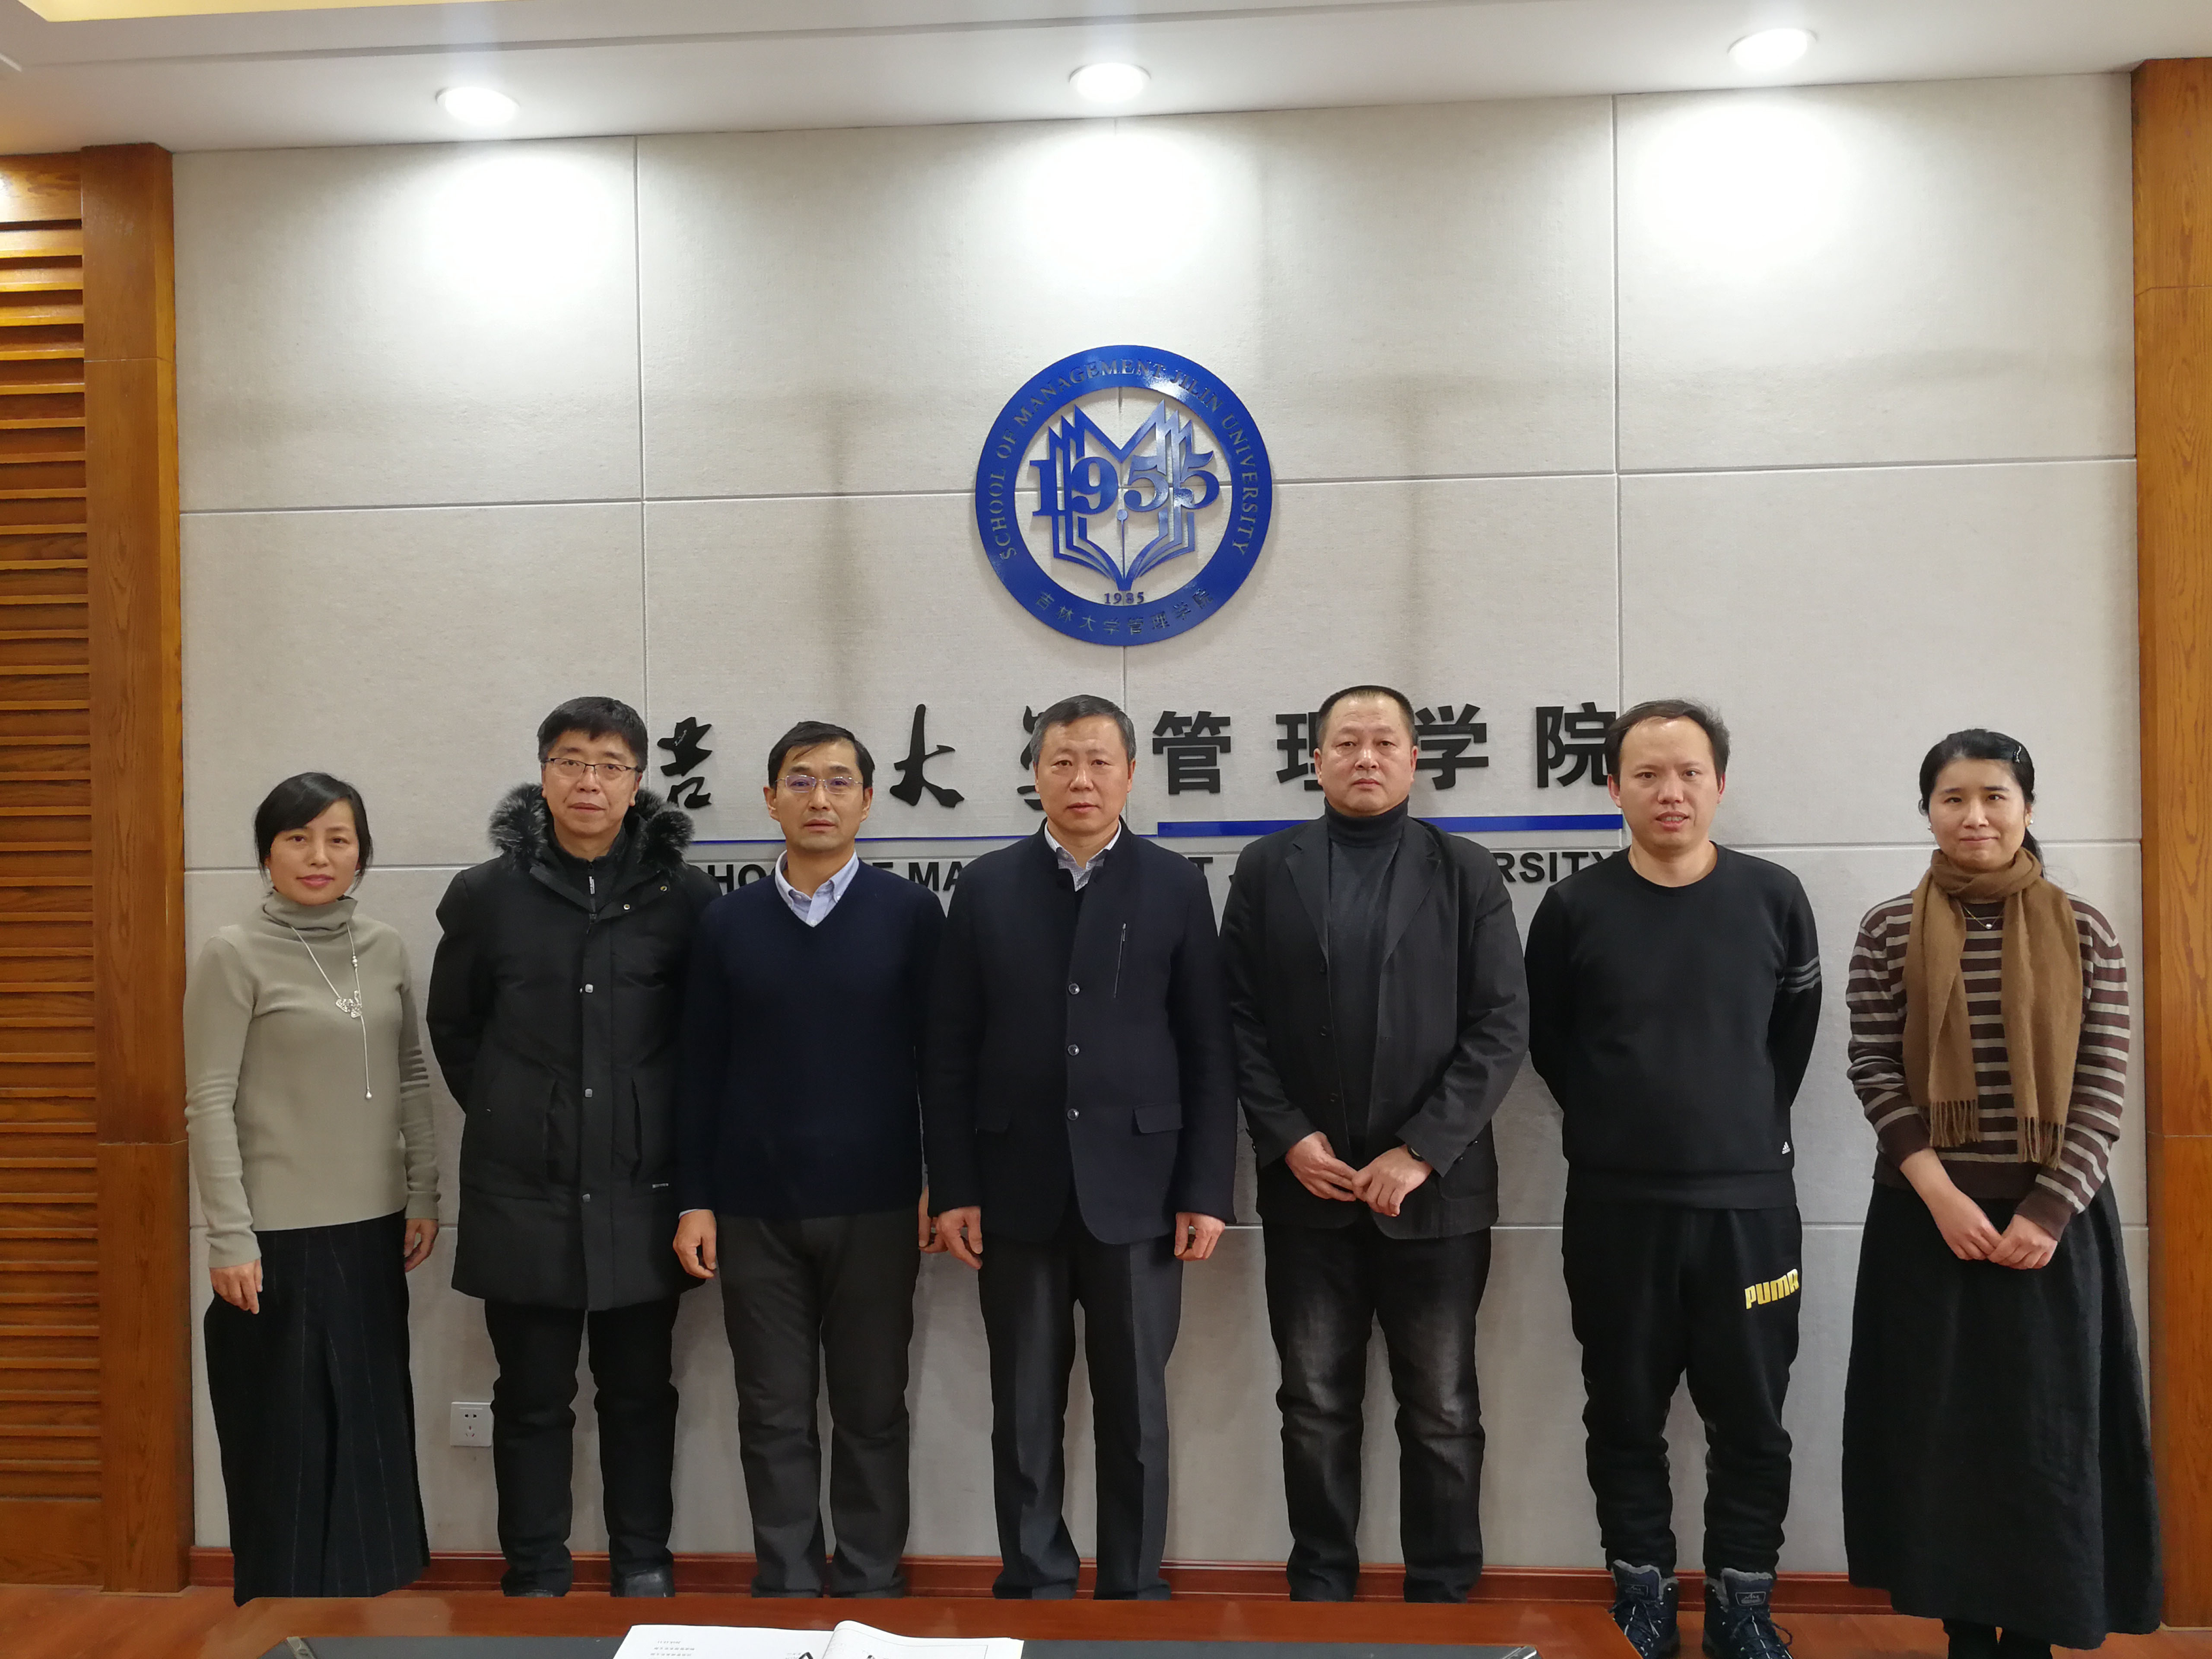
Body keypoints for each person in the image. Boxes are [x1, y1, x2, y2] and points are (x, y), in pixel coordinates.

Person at [1841, 730, 2159, 1659]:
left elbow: (2103, 1080)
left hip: (2053, 1230)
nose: (1974, 816)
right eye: (1952, 798)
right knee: (1940, 1440)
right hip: (1924, 1224)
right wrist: (1939, 1194)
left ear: (2027, 808)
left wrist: (2048, 1209)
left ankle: (2034, 1634)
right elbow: (1871, 1065)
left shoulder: (2084, 927)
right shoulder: (1888, 929)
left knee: (2043, 1441)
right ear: (1927, 812)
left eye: (1994, 796)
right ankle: (1964, 1635)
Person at [1523, 699, 1820, 1659]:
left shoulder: (1774, 898)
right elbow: (1551, 1043)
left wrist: (1738, 1126)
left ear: (1719, 784)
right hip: (1617, 1209)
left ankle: (1743, 1607)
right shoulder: (1573, 908)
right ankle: (1643, 1599)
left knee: (1754, 1423)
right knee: (1623, 1413)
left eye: (1690, 772)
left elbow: (1789, 1042)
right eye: (1647, 774)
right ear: (1614, 788)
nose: (1671, 792)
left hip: (1749, 1208)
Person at [924, 693, 1237, 1601]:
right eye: (1062, 761)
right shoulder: (986, 887)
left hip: (1141, 1191)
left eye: (1100, 761)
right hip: (1013, 1186)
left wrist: (1205, 1188)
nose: (1082, 779)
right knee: (1023, 1407)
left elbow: (1207, 1047)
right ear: (1036, 774)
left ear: (1131, 774)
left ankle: (1133, 1589)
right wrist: (954, 1186)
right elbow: (949, 1051)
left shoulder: (1175, 884)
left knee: (1135, 1406)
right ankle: (1035, 1582)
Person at [1221, 684, 1529, 1602]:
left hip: (1436, 1195)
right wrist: (1288, 1137)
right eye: (1347, 742)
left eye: (1384, 742)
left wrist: (1420, 1150)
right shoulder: (1266, 868)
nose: (1366, 757)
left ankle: (1444, 1590)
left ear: (1414, 759)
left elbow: (1501, 1026)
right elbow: (1235, 1018)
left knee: (1441, 1406)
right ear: (1314, 759)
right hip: (1308, 1190)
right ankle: (1321, 1585)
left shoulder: (1465, 871)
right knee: (1314, 1403)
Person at [428, 696, 718, 1599]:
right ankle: (535, 1570)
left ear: (638, 783)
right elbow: (455, 1027)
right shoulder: (486, 895)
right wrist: (517, 1111)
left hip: (643, 1188)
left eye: (610, 765)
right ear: (544, 772)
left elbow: (700, 1040)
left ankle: (643, 1560)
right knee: (530, 1395)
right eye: (571, 761)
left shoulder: (685, 897)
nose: (589, 781)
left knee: (640, 1393)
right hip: (524, 1192)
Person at [673, 720, 946, 1598]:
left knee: (872, 1409)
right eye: (799, 780)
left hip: (880, 1203)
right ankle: (787, 1587)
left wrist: (941, 1180)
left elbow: (941, 1063)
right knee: (773, 1413)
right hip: (754, 1208)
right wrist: (695, 1198)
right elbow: (699, 1069)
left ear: (867, 800)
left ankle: (870, 1580)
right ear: (770, 800)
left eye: (837, 781)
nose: (818, 798)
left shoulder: (910, 915)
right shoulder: (726, 922)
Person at [185, 773, 439, 1604]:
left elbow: (411, 1076)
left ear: (362, 852)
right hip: (275, 1240)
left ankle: (360, 1622)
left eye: (338, 838)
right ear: (268, 853)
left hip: (374, 1229)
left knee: (368, 1435)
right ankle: (280, 1620)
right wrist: (229, 1234)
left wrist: (425, 1192)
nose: (318, 856)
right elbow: (209, 1101)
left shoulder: (385, 947)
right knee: (285, 1443)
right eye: (297, 838)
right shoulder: (232, 953)